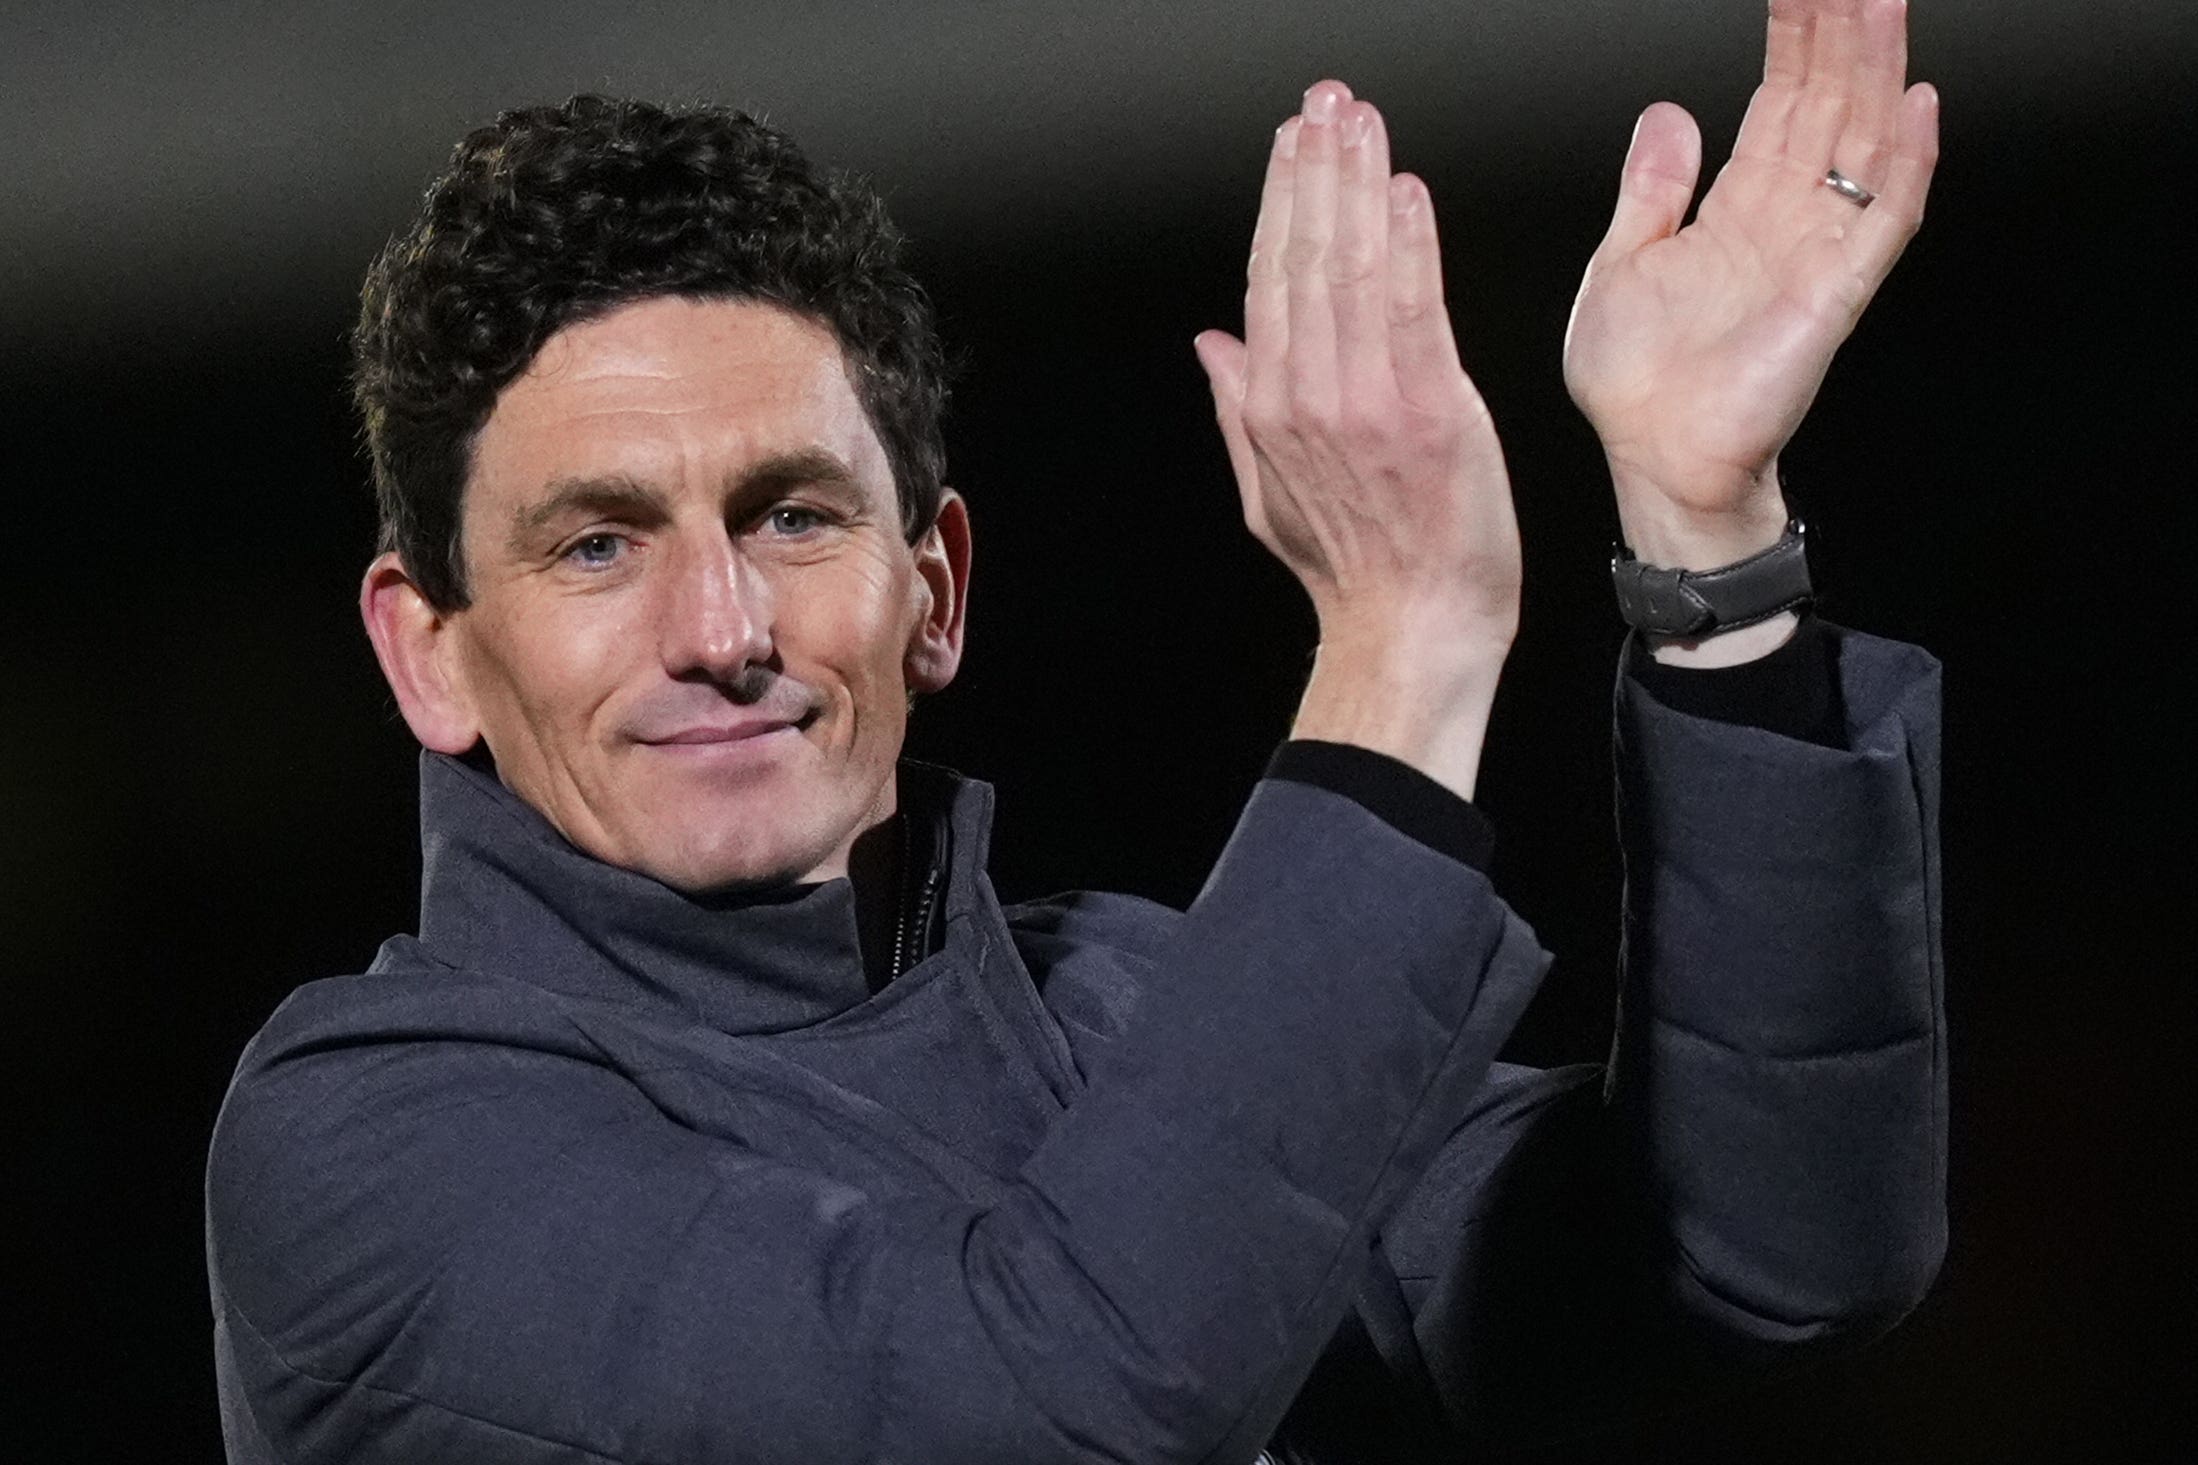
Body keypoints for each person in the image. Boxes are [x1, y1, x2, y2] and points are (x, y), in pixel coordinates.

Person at [205, 1, 1945, 1459]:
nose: (721, 631)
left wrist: (1707, 548)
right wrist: (1400, 643)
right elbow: (1060, 1407)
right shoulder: (372, 1143)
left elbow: (1767, 1254)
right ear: (427, 655)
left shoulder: (1118, 1009)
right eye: (597, 544)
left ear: (934, 589)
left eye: (793, 516)